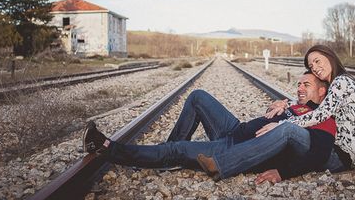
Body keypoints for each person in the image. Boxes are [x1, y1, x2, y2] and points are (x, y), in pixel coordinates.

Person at [82, 73, 341, 182]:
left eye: (306, 85)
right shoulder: (294, 107)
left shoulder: (323, 118)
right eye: (298, 84)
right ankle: (166, 156)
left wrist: (282, 171)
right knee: (198, 96)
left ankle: (108, 147)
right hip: (234, 130)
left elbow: (318, 156)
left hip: (233, 148)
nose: (299, 88)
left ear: (322, 91)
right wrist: (281, 108)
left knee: (179, 150)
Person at [196, 45, 355, 180]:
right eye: (311, 66)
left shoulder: (342, 81)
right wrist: (287, 104)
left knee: (287, 130)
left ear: (330, 57)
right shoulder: (337, 83)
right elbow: (318, 105)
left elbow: (320, 114)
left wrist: (281, 123)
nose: (315, 68)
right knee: (284, 133)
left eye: (318, 61)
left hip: (338, 157)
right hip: (332, 149)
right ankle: (225, 153)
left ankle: (221, 164)